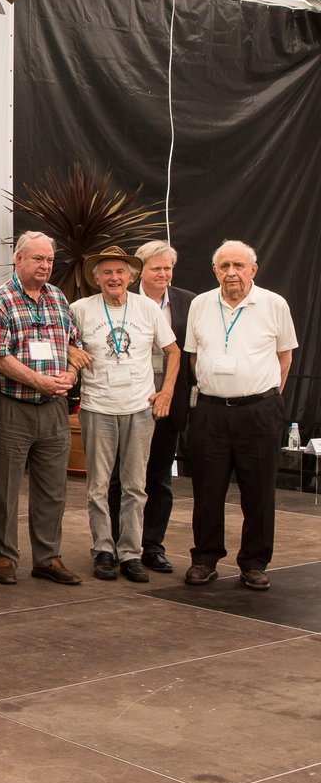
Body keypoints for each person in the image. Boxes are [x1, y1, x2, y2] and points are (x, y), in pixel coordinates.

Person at [183, 240, 296, 591]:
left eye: (238, 265)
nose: (231, 272)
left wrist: (267, 398)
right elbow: (192, 355)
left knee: (259, 490)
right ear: (215, 271)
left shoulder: (274, 304)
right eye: (224, 266)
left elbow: (285, 356)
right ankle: (204, 558)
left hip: (259, 412)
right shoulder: (200, 304)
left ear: (253, 270)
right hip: (211, 412)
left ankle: (254, 562)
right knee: (207, 490)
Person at [70, 246, 179, 583]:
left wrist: (167, 393)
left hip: (138, 409)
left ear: (131, 276)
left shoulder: (147, 308)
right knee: (98, 486)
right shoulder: (79, 310)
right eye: (107, 273)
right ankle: (103, 549)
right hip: (97, 408)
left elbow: (173, 352)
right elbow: (62, 342)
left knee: (136, 486)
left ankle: (131, 553)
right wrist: (71, 349)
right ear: (96, 278)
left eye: (120, 272)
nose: (114, 278)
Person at [0, 231, 83, 586]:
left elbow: (74, 345)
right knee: (3, 488)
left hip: (54, 407)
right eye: (38, 259)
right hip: (11, 406)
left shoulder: (58, 298)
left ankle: (48, 557)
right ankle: (3, 557)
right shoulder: (1, 301)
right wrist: (38, 381)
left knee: (54, 488)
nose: (45, 266)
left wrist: (69, 375)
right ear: (19, 259)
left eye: (50, 260)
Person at [107, 240, 195, 573]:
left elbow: (187, 355)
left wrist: (173, 394)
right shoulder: (122, 302)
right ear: (139, 270)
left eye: (167, 268)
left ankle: (152, 546)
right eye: (156, 268)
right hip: (128, 402)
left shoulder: (188, 302)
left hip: (168, 403)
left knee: (159, 478)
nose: (163, 274)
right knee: (122, 478)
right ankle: (117, 544)